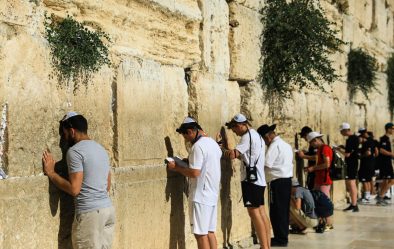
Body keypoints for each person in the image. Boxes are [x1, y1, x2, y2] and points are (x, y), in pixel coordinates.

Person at [42, 112, 115, 249]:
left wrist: (51, 173)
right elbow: (107, 185)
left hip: (90, 215)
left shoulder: (75, 152)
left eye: (64, 134)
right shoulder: (101, 150)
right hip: (108, 211)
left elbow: (75, 189)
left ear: (72, 131)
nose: (63, 138)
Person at [167, 117, 222, 249]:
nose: (185, 139)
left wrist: (176, 168)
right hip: (212, 194)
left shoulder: (197, 147)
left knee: (200, 234)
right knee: (210, 232)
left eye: (185, 135)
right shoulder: (213, 144)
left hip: (200, 197)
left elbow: (194, 173)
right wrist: (188, 161)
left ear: (191, 131)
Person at [220, 114, 271, 249]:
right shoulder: (257, 135)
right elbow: (247, 157)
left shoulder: (246, 137)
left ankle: (264, 247)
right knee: (261, 212)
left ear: (240, 125)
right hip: (259, 180)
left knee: (254, 213)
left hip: (251, 181)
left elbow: (232, 155)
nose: (235, 133)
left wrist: (221, 147)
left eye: (234, 129)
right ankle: (267, 246)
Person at [258, 124, 293, 247]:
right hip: (286, 181)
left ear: (267, 137)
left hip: (278, 182)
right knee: (283, 210)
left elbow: (266, 164)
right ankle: (282, 237)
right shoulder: (286, 145)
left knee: (277, 211)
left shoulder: (274, 146)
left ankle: (280, 239)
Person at [304, 132, 334, 228]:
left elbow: (327, 164)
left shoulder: (325, 148)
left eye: (312, 143)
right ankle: (322, 222)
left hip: (324, 180)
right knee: (318, 201)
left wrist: (313, 168)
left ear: (316, 140)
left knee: (324, 202)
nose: (311, 145)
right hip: (319, 179)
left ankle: (329, 224)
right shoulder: (320, 149)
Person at [336, 122, 360, 212]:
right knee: (351, 183)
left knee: (351, 183)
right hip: (354, 163)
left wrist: (339, 150)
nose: (341, 133)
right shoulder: (355, 138)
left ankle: (354, 205)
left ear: (345, 130)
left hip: (351, 163)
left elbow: (347, 154)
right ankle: (353, 204)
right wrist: (344, 147)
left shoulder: (350, 139)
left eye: (341, 131)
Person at [375, 122, 394, 206]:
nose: (393, 130)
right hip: (384, 163)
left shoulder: (388, 139)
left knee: (386, 181)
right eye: (392, 128)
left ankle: (381, 197)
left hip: (388, 162)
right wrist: (391, 154)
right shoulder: (383, 138)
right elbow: (381, 150)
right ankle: (381, 197)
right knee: (391, 181)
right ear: (388, 129)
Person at [358, 128, 377, 203]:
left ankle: (366, 198)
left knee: (364, 180)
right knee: (368, 180)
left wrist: (361, 156)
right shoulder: (372, 140)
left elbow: (368, 153)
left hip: (366, 164)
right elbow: (376, 152)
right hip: (371, 163)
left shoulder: (367, 142)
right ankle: (367, 196)